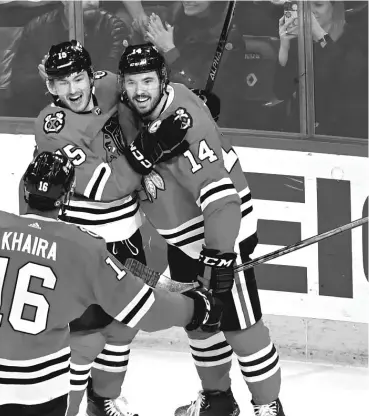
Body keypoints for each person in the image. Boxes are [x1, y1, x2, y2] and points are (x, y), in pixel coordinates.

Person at [0, 151, 223, 416]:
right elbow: (144, 310)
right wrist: (197, 308)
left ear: (25, 188)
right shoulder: (84, 248)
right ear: (68, 196)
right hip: (39, 395)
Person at [117, 44, 285, 416]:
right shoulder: (132, 106)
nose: (139, 90)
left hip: (222, 233)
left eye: (147, 81)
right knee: (200, 322)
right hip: (184, 242)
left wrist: (221, 254)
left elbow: (222, 200)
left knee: (241, 326)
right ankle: (218, 400)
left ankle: (268, 406)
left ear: (163, 80)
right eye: (132, 82)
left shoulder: (187, 123)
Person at [26, 40, 191, 416]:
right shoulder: (52, 129)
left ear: (90, 74)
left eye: (78, 78)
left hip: (127, 235)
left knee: (123, 326)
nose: (72, 90)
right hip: (84, 242)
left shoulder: (107, 84)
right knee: (83, 338)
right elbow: (107, 187)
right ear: (50, 87)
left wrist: (188, 106)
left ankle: (103, 402)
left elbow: (145, 92)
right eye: (61, 82)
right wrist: (149, 147)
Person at [275, 0, 367, 138]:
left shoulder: (354, 39)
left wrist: (320, 36)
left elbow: (349, 79)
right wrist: (284, 47)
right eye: (305, 6)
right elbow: (281, 92)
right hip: (302, 130)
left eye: (318, 5)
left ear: (335, 9)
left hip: (342, 132)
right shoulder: (299, 41)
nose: (310, 11)